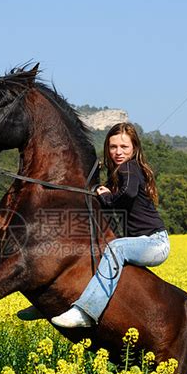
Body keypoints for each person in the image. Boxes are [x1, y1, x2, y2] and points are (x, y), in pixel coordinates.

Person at [51, 122, 170, 328]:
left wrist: (106, 197)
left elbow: (128, 194)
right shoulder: (120, 174)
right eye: (113, 147)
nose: (118, 152)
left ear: (134, 149)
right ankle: (51, 297)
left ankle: (87, 312)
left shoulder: (129, 167)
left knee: (115, 248)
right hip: (139, 242)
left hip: (154, 243)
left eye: (124, 147)